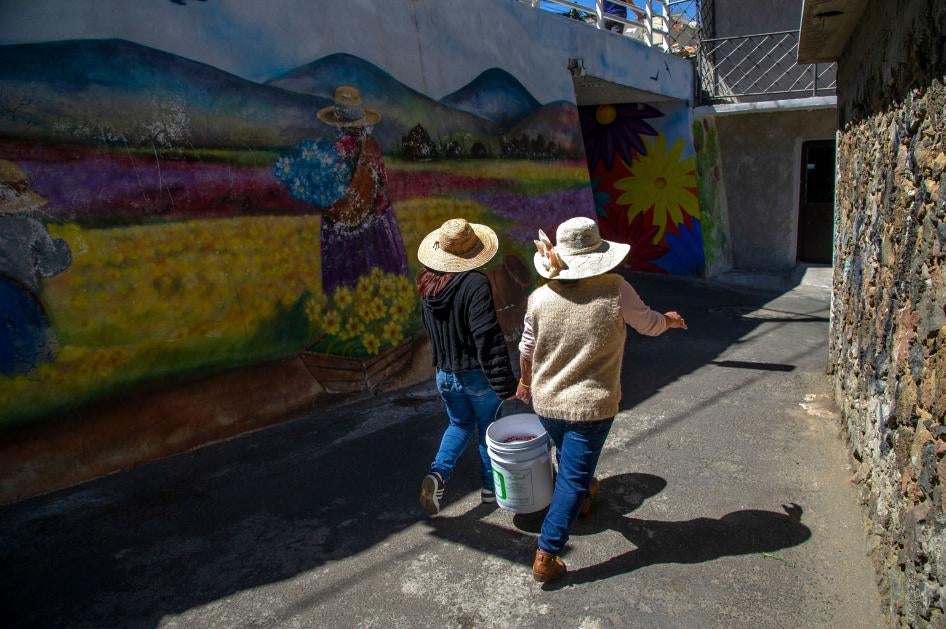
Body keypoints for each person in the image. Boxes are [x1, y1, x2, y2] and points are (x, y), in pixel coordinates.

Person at [515, 216, 687, 583]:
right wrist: (670, 321)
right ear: (597, 253)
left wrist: (524, 382)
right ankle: (547, 553)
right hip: (590, 407)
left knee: (570, 455)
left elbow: (526, 349)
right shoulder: (615, 289)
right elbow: (648, 323)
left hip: (546, 403)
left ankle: (588, 493)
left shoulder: (539, 298)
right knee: (572, 480)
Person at [416, 218, 517, 515]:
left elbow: (430, 330)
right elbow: (487, 336)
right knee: (489, 429)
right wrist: (505, 383)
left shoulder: (427, 283)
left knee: (459, 424)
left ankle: (438, 474)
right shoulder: (475, 283)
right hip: (477, 376)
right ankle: (490, 489)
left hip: (445, 375)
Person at [316, 85, 409, 293]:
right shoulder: (372, 146)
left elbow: (330, 191)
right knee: (382, 275)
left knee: (349, 284)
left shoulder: (337, 150)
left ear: (338, 123)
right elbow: (382, 182)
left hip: (346, 226)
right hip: (378, 221)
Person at [0, 160, 71, 375]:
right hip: (19, 297)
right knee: (30, 356)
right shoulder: (30, 227)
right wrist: (63, 249)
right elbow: (50, 266)